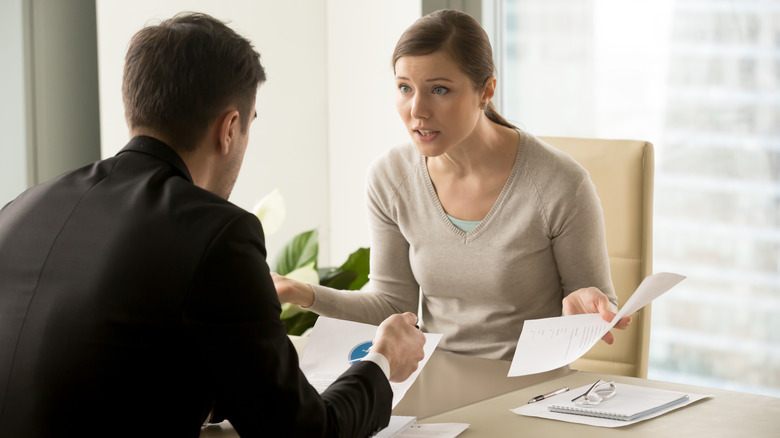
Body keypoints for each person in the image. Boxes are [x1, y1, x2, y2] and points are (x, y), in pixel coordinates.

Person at [0, 12, 425, 437]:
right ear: (229, 128)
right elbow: (304, 432)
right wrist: (381, 362)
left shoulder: (22, 207)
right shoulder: (217, 233)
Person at [274, 9, 630, 361]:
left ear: (486, 90)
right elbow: (391, 304)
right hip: (433, 381)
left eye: (439, 89)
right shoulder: (390, 178)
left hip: (529, 389)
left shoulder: (559, 184)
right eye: (404, 88)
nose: (417, 111)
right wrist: (300, 293)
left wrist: (582, 316)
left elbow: (596, 305)